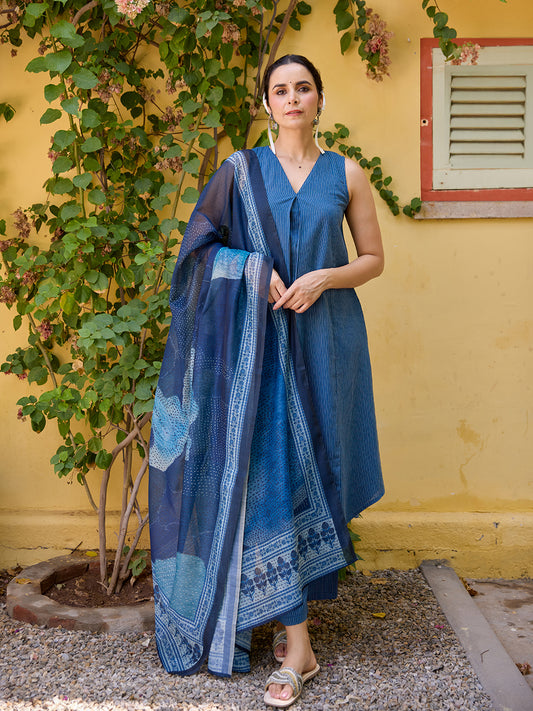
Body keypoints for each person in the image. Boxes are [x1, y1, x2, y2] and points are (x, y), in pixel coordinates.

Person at [148, 54, 384, 708]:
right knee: (271, 477)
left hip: (329, 341)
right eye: (280, 90)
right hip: (257, 348)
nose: (292, 98)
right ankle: (299, 645)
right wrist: (253, 271)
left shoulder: (347, 174)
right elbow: (197, 254)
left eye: (302, 88)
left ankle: (287, 618)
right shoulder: (240, 170)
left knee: (316, 472)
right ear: (266, 103)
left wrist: (324, 277)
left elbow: (372, 259)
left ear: (319, 99)